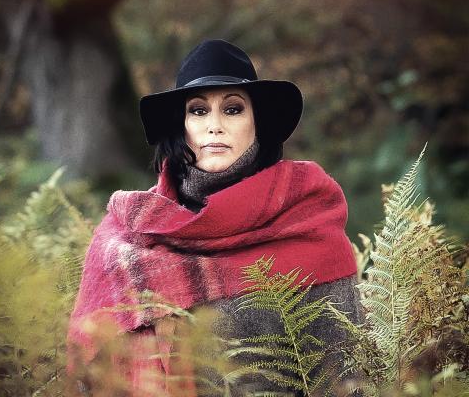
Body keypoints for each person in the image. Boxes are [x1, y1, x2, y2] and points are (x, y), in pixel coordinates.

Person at [68, 39, 363, 396]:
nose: (215, 126)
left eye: (233, 109)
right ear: (181, 125)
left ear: (257, 122)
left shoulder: (307, 223)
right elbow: (88, 372)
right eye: (198, 111)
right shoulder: (126, 238)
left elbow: (345, 380)